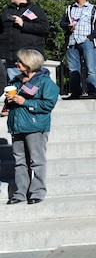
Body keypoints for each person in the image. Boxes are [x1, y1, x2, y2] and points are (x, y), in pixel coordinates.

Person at [5, 49, 60, 204]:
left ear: (30, 64)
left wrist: (25, 102)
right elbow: (10, 104)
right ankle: (20, 193)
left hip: (35, 126)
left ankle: (37, 192)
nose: (17, 64)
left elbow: (48, 104)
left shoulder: (44, 82)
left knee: (37, 160)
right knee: (20, 161)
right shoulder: (16, 80)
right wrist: (9, 101)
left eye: (20, 62)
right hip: (17, 126)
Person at [59, 0, 96, 99]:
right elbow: (62, 23)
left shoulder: (94, 9)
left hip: (87, 41)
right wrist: (67, 26)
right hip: (72, 41)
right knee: (73, 69)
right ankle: (75, 92)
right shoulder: (70, 8)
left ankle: (92, 92)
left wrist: (90, 37)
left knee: (90, 68)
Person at [0, 0, 50, 85]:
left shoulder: (35, 10)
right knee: (15, 85)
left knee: (33, 85)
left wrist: (23, 24)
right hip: (11, 57)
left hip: (29, 56)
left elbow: (44, 28)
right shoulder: (6, 12)